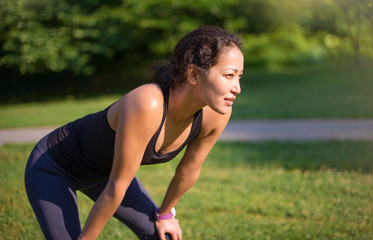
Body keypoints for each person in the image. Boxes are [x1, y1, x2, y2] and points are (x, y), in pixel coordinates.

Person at [24, 26, 244, 240]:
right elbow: (117, 185)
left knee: (163, 236)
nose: (237, 88)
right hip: (54, 168)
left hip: (106, 175)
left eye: (239, 76)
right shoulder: (147, 103)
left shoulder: (217, 114)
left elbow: (188, 171)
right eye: (229, 75)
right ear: (194, 74)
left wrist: (165, 214)